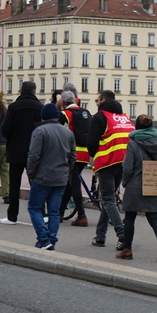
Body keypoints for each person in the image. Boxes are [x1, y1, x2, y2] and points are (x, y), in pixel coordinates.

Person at [117, 115, 157, 262]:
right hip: (152, 184)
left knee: (129, 218)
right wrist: (155, 181)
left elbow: (127, 169)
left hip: (134, 185)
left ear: (137, 128)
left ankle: (127, 250)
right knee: (153, 218)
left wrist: (125, 183)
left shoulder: (133, 144)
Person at [88, 90, 134, 248]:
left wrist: (94, 154)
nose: (96, 103)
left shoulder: (100, 117)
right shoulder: (124, 117)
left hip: (107, 161)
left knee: (108, 199)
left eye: (97, 100)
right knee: (110, 200)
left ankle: (123, 236)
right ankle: (100, 236)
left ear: (103, 100)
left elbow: (92, 143)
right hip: (124, 161)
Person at [26, 103, 76, 250]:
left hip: (42, 177)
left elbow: (33, 156)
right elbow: (73, 156)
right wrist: (67, 171)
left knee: (34, 208)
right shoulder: (68, 133)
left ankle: (43, 238)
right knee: (54, 211)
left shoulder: (40, 131)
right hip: (61, 179)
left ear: (43, 117)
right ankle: (51, 240)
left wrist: (31, 173)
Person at [1, 81, 43, 224]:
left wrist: (13, 139)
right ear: (34, 91)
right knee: (36, 184)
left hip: (16, 151)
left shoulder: (14, 107)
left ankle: (12, 216)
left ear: (21, 91)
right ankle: (41, 214)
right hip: (35, 152)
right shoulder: (40, 108)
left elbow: (5, 129)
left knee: (14, 185)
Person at [57, 90, 92, 226]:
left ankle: (82, 216)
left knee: (74, 183)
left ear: (64, 103)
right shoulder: (85, 112)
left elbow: (59, 133)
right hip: (85, 153)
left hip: (71, 153)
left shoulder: (65, 114)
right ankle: (59, 212)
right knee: (70, 183)